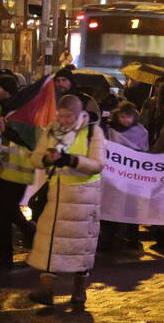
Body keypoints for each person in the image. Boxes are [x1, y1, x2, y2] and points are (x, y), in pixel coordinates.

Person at [27, 94, 106, 307]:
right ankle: (46, 290)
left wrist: (70, 160)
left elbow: (97, 164)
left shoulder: (92, 131)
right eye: (60, 116)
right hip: (57, 194)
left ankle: (79, 290)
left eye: (68, 116)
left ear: (78, 113)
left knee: (80, 246)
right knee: (51, 243)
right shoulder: (51, 131)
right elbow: (35, 157)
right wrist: (46, 159)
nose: (63, 120)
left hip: (83, 196)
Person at [0, 75, 37, 268]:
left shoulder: (23, 112)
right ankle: (4, 253)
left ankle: (30, 235)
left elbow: (30, 140)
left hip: (18, 169)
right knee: (3, 211)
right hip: (2, 168)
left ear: (8, 90)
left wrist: (7, 131)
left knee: (8, 210)